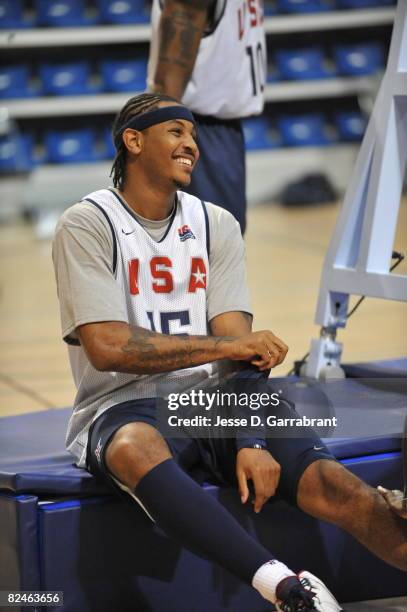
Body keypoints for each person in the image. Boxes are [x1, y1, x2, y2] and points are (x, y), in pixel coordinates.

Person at [52, 93, 407, 612]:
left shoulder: (216, 223)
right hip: (122, 406)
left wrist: (253, 438)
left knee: (339, 488)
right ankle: (286, 588)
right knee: (132, 445)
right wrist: (227, 346)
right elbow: (107, 348)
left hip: (220, 400)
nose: (191, 144)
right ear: (133, 141)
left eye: (194, 134)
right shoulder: (87, 224)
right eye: (175, 131)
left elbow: (242, 349)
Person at [147, 0, 266, 234]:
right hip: (208, 128)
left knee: (207, 249)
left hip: (193, 128)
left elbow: (169, 78)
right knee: (212, 249)